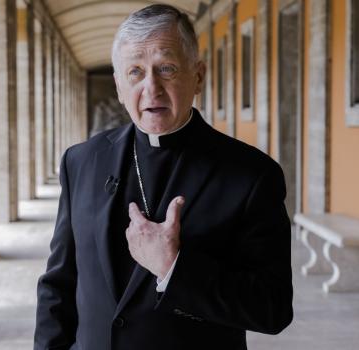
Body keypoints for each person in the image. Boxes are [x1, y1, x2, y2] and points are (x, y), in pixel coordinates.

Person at [34, 4, 293, 350]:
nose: (151, 88)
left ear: (198, 76)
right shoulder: (81, 161)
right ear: (119, 86)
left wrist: (174, 267)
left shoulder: (251, 175)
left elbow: (273, 309)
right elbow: (58, 287)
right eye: (135, 73)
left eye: (166, 69)